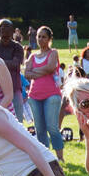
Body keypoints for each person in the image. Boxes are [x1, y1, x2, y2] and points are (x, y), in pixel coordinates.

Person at [24, 26, 65, 155]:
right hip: (34, 95)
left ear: (49, 39)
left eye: (44, 37)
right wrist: (43, 70)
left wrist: (35, 71)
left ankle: (59, 156)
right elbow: (26, 74)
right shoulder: (32, 56)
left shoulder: (53, 53)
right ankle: (46, 156)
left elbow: (51, 67)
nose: (41, 39)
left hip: (51, 94)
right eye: (39, 37)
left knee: (52, 127)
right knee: (40, 129)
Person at [0, 19, 26, 122]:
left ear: (12, 30)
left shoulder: (17, 47)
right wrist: (6, 63)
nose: (3, 29)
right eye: (1, 26)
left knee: (17, 121)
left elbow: (15, 64)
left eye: (6, 26)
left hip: (14, 88)